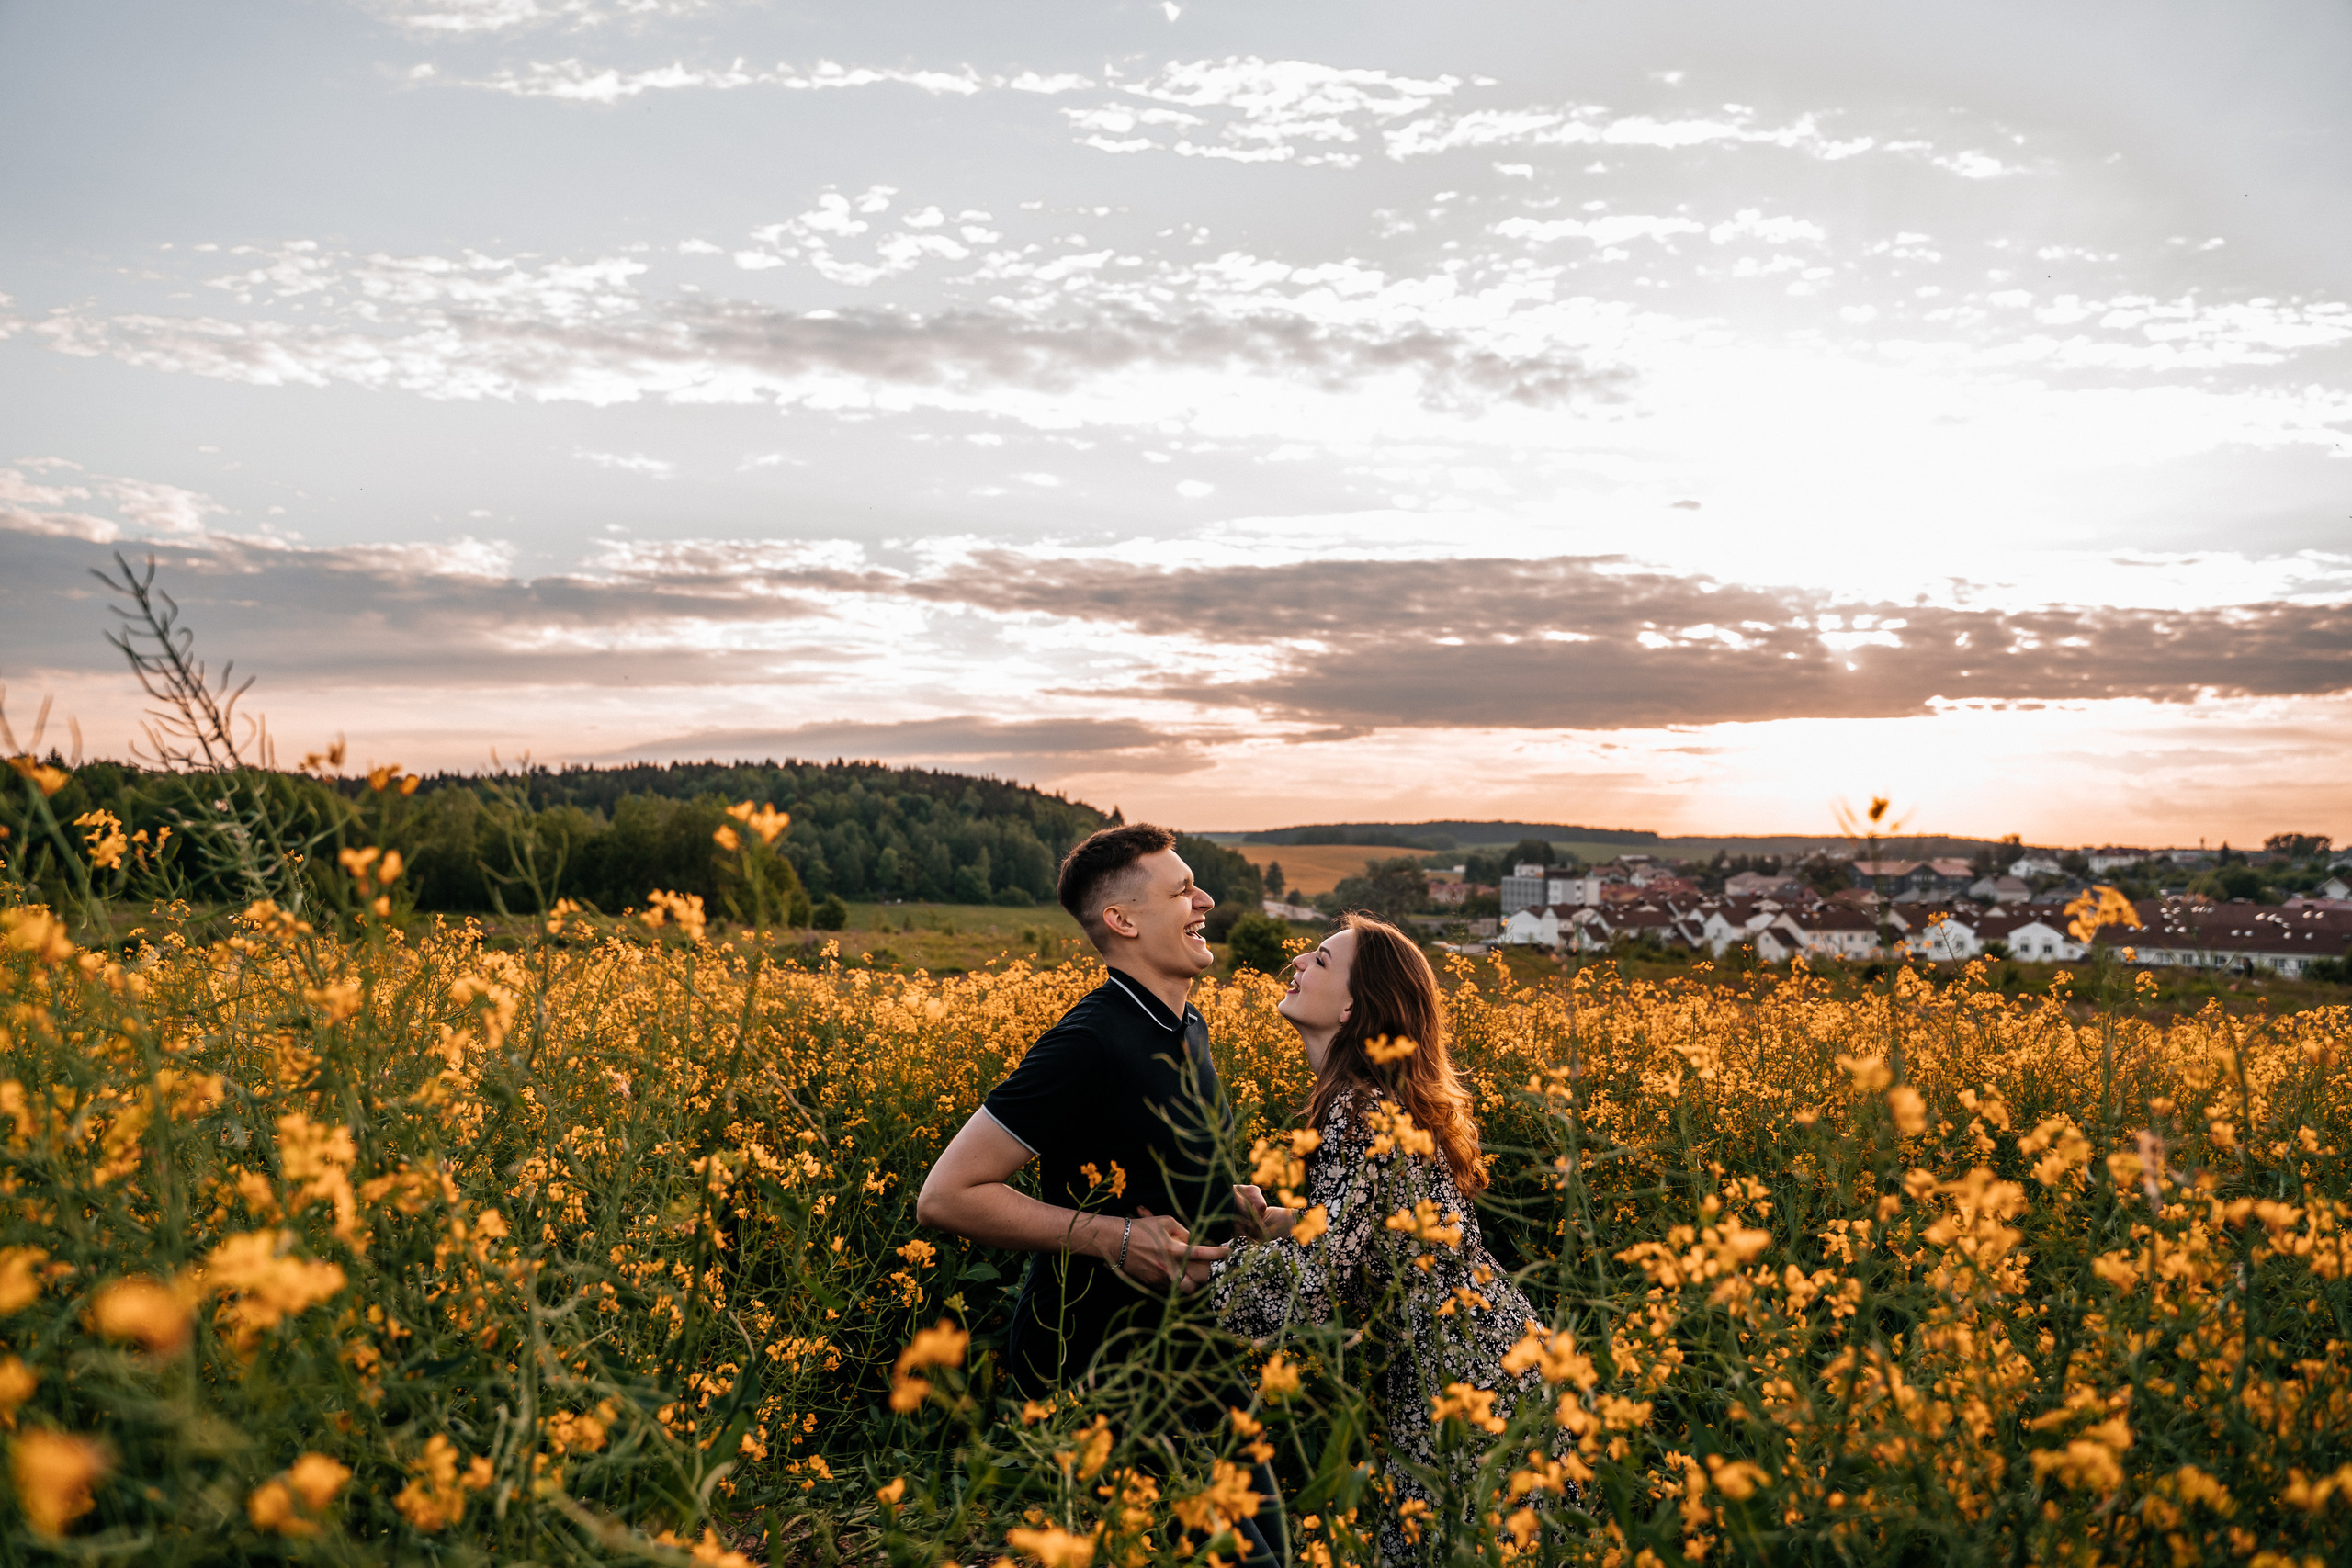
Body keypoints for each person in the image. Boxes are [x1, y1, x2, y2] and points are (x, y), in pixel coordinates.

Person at [1213, 914, 1552, 1564]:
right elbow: (1363, 1234)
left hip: (1463, 1380)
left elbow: (1319, 1282)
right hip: (1500, 1363)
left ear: (1351, 1006)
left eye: (1318, 958)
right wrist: (1273, 1220)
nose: (1296, 965)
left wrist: (1196, 1272)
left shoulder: (1355, 1109)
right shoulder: (1374, 1102)